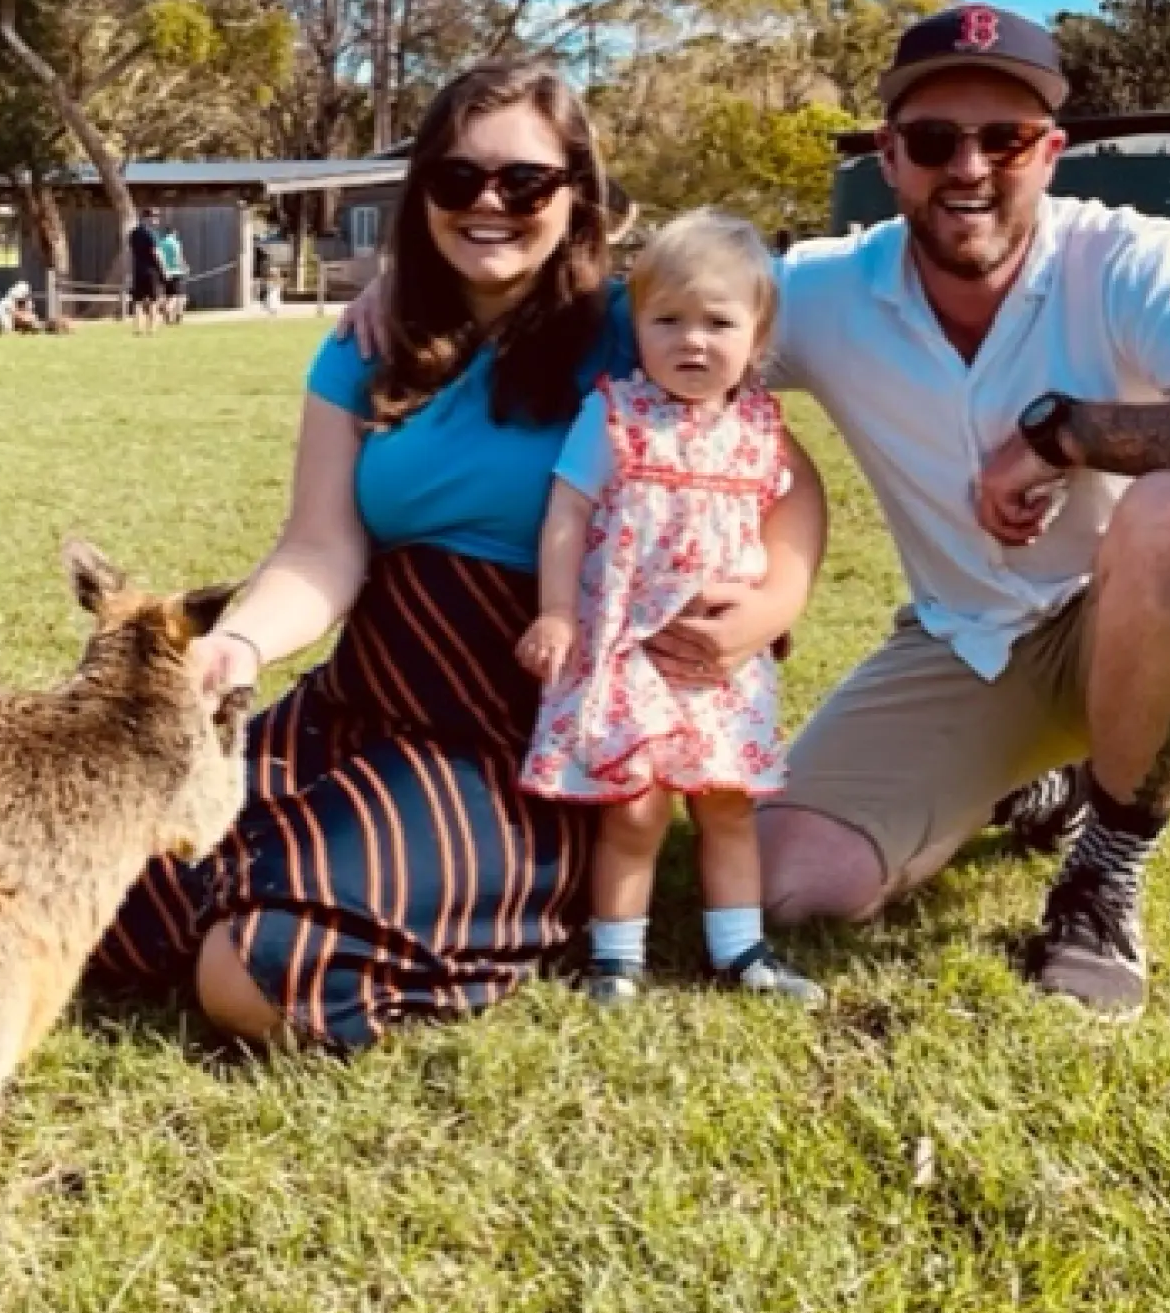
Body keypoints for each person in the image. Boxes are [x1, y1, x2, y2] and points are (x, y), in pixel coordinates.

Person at [86, 58, 826, 1049]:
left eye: (523, 182)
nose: (487, 203)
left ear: (575, 193)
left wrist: (774, 601)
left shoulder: (636, 330)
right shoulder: (370, 342)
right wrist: (245, 647)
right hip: (370, 698)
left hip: (533, 731)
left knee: (255, 979)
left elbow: (783, 473)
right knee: (106, 883)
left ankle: (506, 905)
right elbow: (318, 545)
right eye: (455, 178)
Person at [756, 3, 1170, 1016]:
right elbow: (642, 336)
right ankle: (1040, 779)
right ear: (889, 156)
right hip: (967, 640)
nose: (968, 168)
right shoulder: (821, 291)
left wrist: (1064, 433)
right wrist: (412, 306)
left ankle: (1105, 869)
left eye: (1005, 139)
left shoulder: (1121, 259)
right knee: (789, 884)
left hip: (1160, 612)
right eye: (934, 140)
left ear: (1050, 152)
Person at [517, 211, 823, 1009]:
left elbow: (784, 522)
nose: (692, 342)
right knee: (637, 806)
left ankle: (740, 947)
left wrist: (766, 604)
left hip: (723, 663)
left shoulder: (761, 430)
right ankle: (616, 957)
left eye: (718, 323)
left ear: (757, 339)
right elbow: (566, 514)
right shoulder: (615, 415)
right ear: (637, 329)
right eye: (667, 321)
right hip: (629, 649)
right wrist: (556, 615)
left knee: (725, 804)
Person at [127, 210, 169, 332]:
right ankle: (151, 328)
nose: (157, 220)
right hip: (151, 270)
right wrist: (164, 269)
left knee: (138, 301)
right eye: (154, 217)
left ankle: (137, 328)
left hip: (138, 269)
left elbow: (132, 251)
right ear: (147, 217)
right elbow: (156, 253)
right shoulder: (151, 233)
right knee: (153, 300)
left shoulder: (134, 233)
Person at [157, 221, 190, 324]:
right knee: (180, 296)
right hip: (176, 272)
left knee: (168, 294)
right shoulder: (175, 243)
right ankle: (177, 315)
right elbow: (178, 257)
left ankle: (167, 313)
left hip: (164, 272)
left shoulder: (161, 243)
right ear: (173, 232)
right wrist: (185, 267)